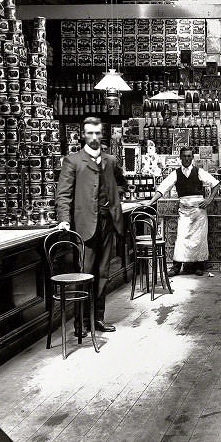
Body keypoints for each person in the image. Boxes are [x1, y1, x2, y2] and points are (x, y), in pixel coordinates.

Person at [55, 117, 126, 335]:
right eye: (90, 133)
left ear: (101, 134)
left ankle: (97, 319)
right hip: (84, 226)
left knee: (103, 273)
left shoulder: (111, 161)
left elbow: (121, 184)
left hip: (107, 223)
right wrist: (64, 219)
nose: (94, 137)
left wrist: (114, 199)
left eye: (97, 133)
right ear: (83, 135)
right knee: (83, 273)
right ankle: (79, 323)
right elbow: (63, 194)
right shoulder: (73, 161)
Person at [149, 146, 221, 277]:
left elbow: (216, 184)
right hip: (184, 212)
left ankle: (198, 266)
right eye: (184, 156)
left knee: (199, 239)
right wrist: (150, 202)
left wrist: (209, 199)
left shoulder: (199, 171)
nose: (187, 159)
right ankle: (176, 267)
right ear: (180, 158)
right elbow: (163, 188)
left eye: (189, 156)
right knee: (181, 238)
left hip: (199, 212)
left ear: (192, 158)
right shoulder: (175, 173)